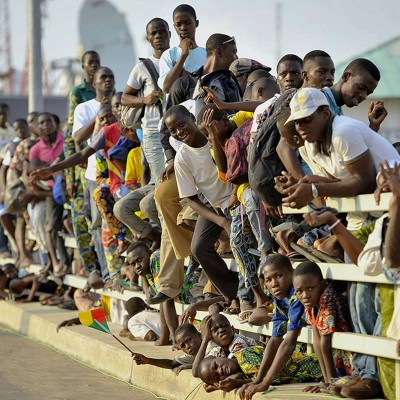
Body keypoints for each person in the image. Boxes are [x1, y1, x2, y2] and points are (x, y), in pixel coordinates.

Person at [282, 87, 400, 231]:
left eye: (306, 119)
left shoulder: (343, 131)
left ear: (325, 113)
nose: (301, 127)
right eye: (297, 122)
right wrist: (299, 185)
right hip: (366, 209)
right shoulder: (311, 144)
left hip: (389, 207)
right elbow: (339, 183)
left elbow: (366, 182)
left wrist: (314, 190)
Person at [163, 105, 237, 301]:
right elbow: (191, 200)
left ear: (191, 118)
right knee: (199, 248)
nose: (180, 132)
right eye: (173, 131)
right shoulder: (182, 159)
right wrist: (222, 222)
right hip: (215, 204)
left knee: (240, 240)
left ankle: (249, 294)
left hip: (237, 196)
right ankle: (232, 293)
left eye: (182, 124)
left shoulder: (216, 135)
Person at [238, 254, 307, 399]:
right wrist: (258, 379)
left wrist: (266, 382)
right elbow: (275, 340)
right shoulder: (280, 299)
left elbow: (288, 343)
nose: (274, 284)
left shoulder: (298, 294)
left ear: (291, 272)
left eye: (279, 276)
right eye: (268, 280)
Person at [64, 50, 101, 275]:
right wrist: (69, 177)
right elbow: (72, 135)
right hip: (81, 166)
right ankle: (91, 267)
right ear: (83, 66)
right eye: (90, 63)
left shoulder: (108, 90)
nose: (94, 66)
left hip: (102, 163)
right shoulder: (78, 93)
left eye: (97, 62)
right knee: (81, 218)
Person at [122, 17, 170, 182]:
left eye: (162, 32)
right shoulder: (142, 67)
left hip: (178, 130)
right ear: (149, 38)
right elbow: (124, 97)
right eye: (153, 33)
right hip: (153, 132)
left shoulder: (179, 61)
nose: (158, 36)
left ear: (169, 34)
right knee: (162, 181)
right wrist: (145, 99)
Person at [293, 261, 352, 393]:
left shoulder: (327, 295)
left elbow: (325, 343)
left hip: (351, 360)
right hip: (338, 360)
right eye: (299, 291)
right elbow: (316, 341)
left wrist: (331, 382)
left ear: (323, 284)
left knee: (342, 385)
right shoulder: (310, 302)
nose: (305, 295)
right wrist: (326, 382)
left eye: (310, 288)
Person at [29, 113, 69, 276]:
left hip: (71, 186)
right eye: (42, 122)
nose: (46, 124)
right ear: (37, 128)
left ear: (56, 123)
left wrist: (52, 167)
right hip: (51, 192)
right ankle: (59, 262)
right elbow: (37, 175)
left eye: (49, 121)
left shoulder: (66, 140)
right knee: (51, 226)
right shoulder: (35, 150)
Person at [323, 58, 387, 132]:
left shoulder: (337, 111)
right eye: (361, 87)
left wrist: (374, 126)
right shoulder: (318, 101)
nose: (364, 96)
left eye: (368, 93)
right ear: (346, 77)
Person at [158, 4, 206, 93]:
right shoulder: (169, 55)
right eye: (178, 24)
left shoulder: (207, 54)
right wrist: (183, 55)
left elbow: (208, 86)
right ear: (174, 27)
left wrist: (183, 74)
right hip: (177, 106)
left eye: (188, 23)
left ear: (196, 23)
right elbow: (167, 88)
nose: (183, 28)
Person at [131, 323, 202, 375]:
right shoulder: (193, 354)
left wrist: (190, 365)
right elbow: (172, 363)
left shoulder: (210, 347)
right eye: (182, 345)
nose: (187, 346)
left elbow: (209, 362)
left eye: (189, 340)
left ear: (198, 335)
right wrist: (148, 360)